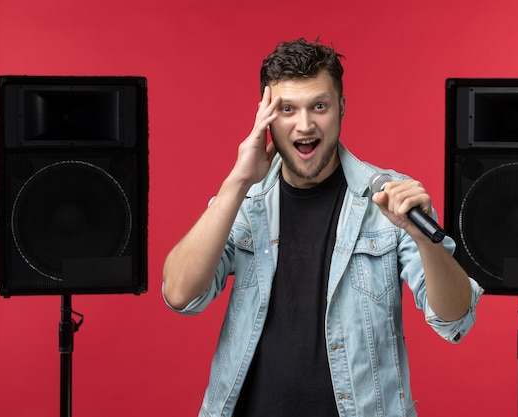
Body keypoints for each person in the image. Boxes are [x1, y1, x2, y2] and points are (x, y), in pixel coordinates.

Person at [162, 38, 484, 417]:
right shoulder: (246, 200)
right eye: (287, 109)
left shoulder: (388, 197)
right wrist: (236, 182)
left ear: (341, 108)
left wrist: (421, 237)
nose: (305, 124)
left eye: (319, 106)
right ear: (266, 116)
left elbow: (454, 317)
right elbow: (180, 295)